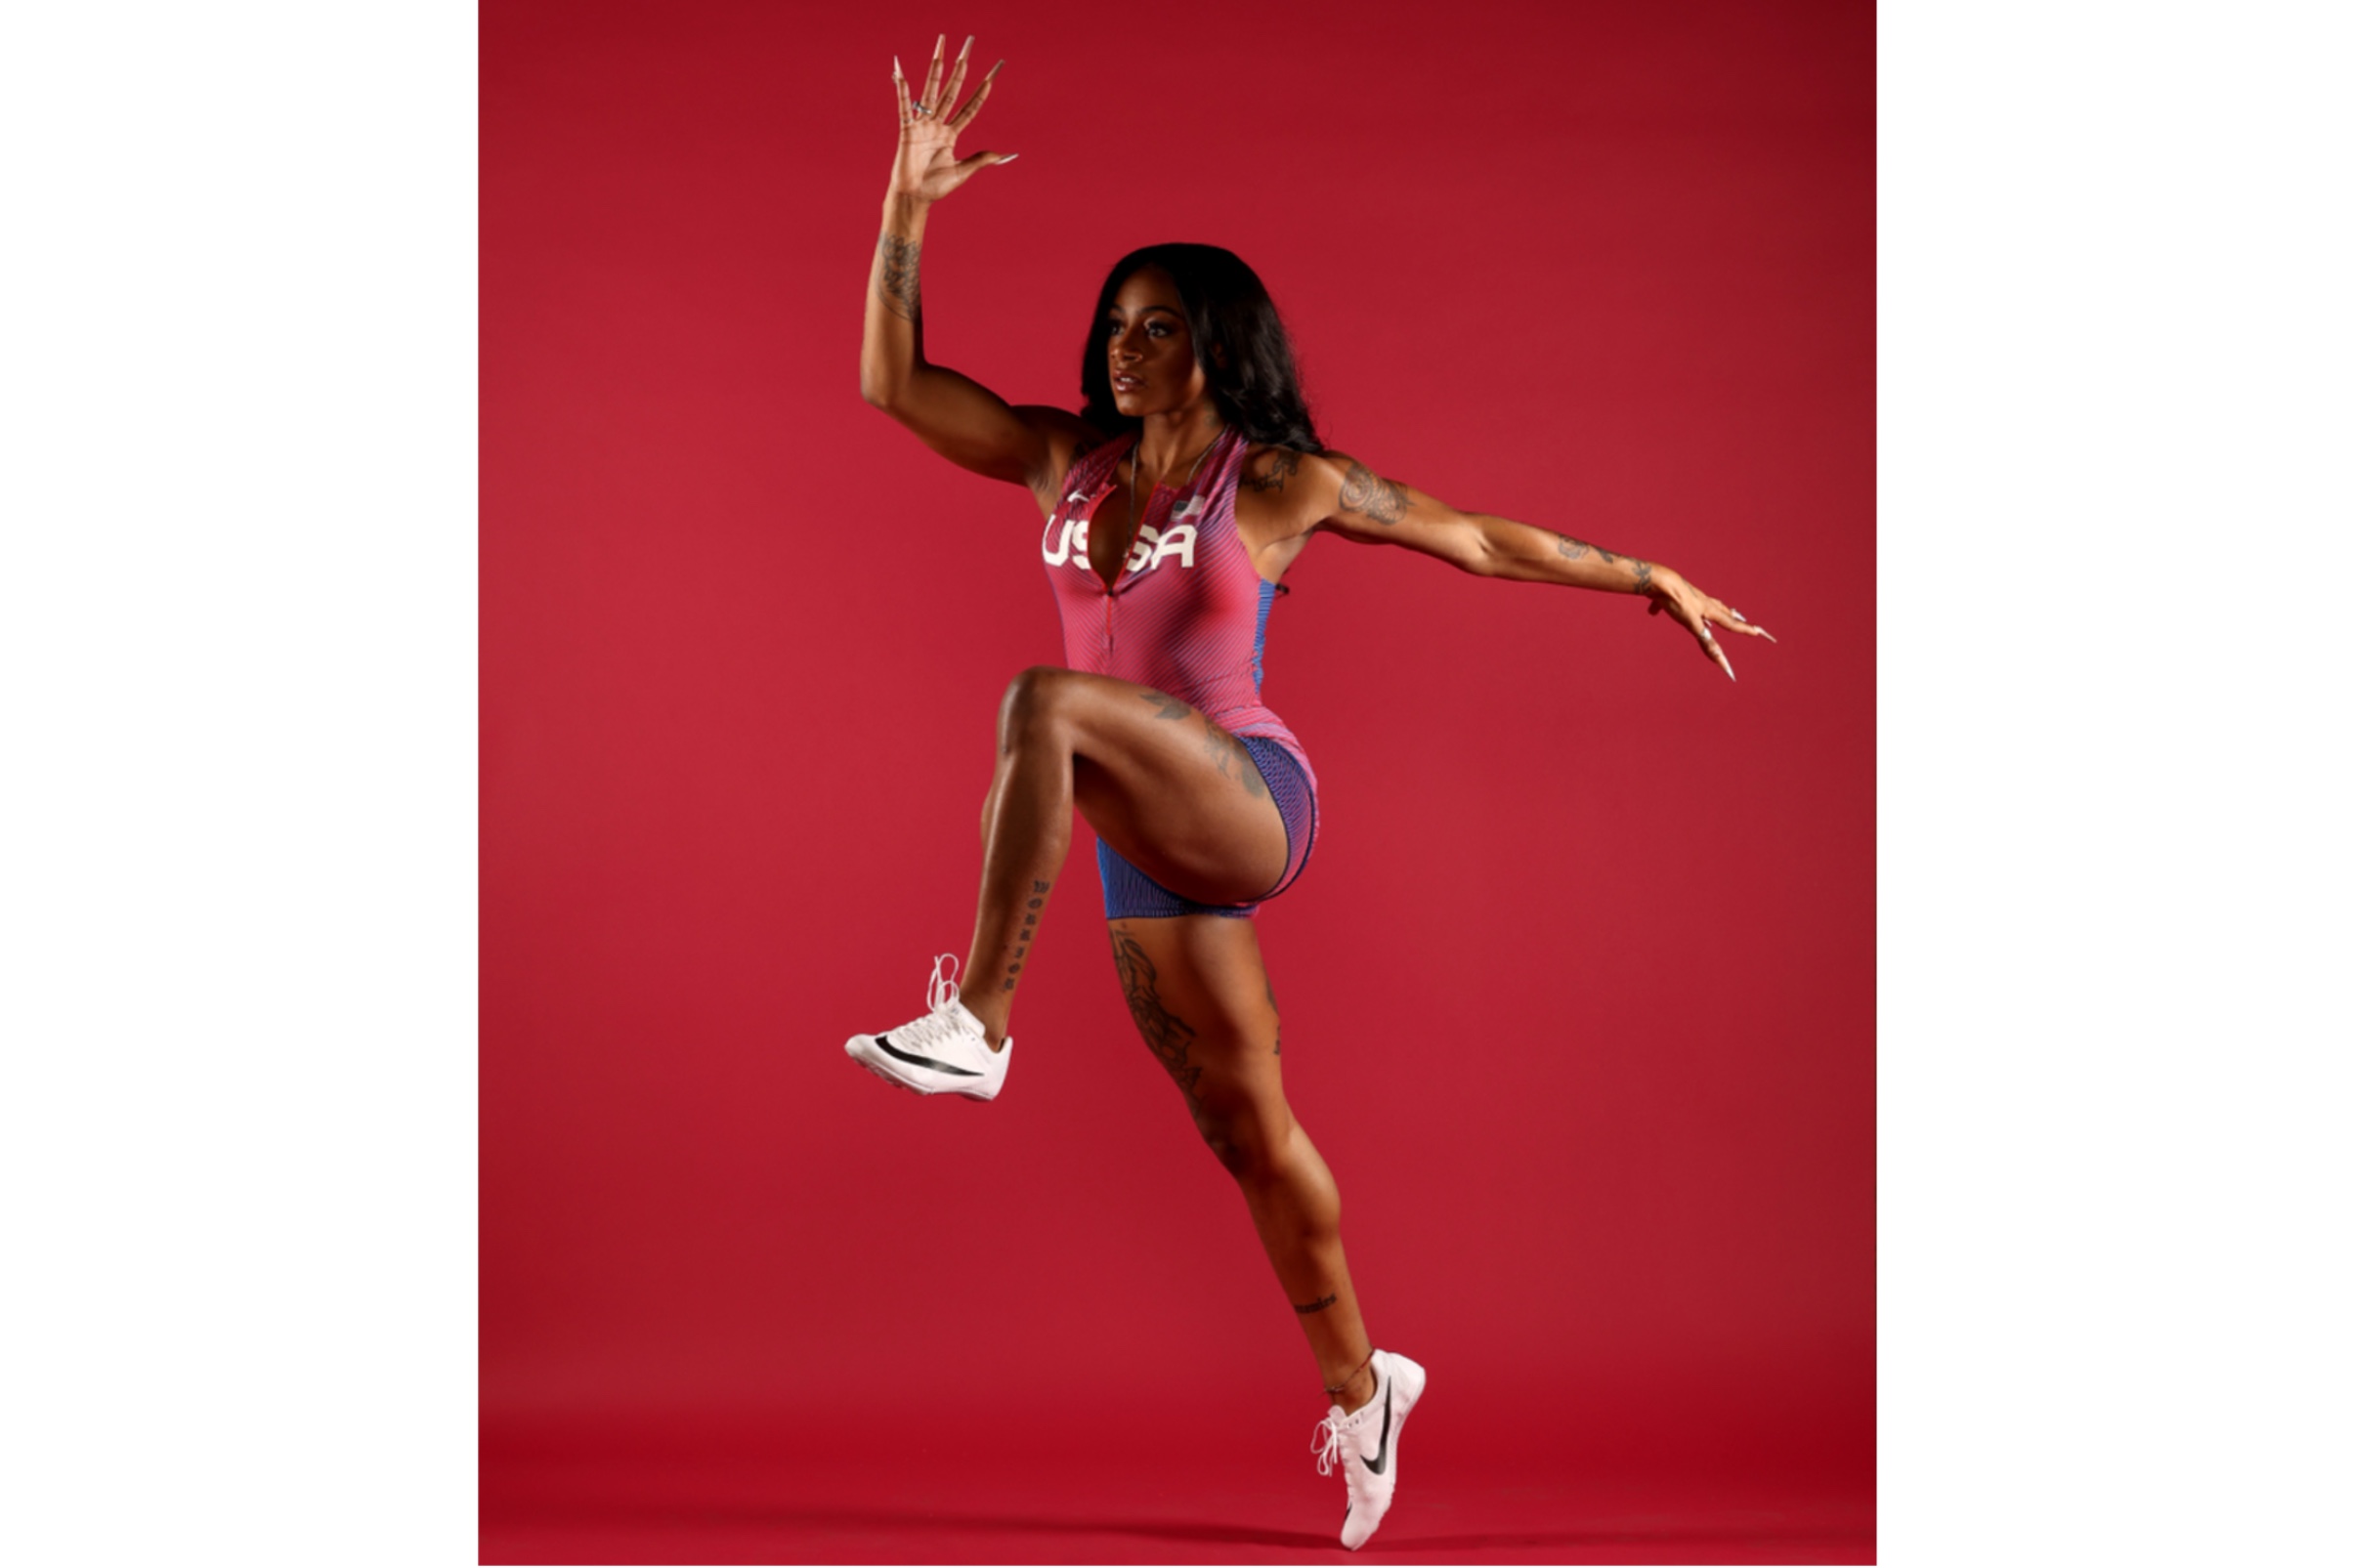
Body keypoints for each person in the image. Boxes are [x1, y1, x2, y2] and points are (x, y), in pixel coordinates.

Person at [844, 34, 1775, 1551]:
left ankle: (981, 1028)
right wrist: (907, 200)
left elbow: (1478, 539)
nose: (1124, 348)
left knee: (1042, 701)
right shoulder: (1066, 460)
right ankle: (1365, 1388)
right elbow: (890, 385)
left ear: (1217, 342)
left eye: (1156, 326)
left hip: (1247, 793)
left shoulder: (1276, 480)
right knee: (1247, 1129)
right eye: (1114, 324)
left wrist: (1645, 575)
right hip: (1134, 830)